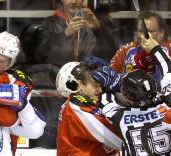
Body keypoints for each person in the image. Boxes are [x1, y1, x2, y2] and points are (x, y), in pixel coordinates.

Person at [19, 0, 118, 148]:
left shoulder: (94, 22)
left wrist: (99, 29)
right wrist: (65, 34)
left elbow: (111, 56)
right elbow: (38, 57)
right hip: (55, 93)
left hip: (86, 91)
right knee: (55, 136)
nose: (73, 1)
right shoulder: (49, 24)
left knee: (84, 140)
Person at [109, 11, 171, 82]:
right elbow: (110, 75)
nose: (144, 36)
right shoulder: (126, 50)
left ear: (161, 33)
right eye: (140, 31)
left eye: (149, 31)